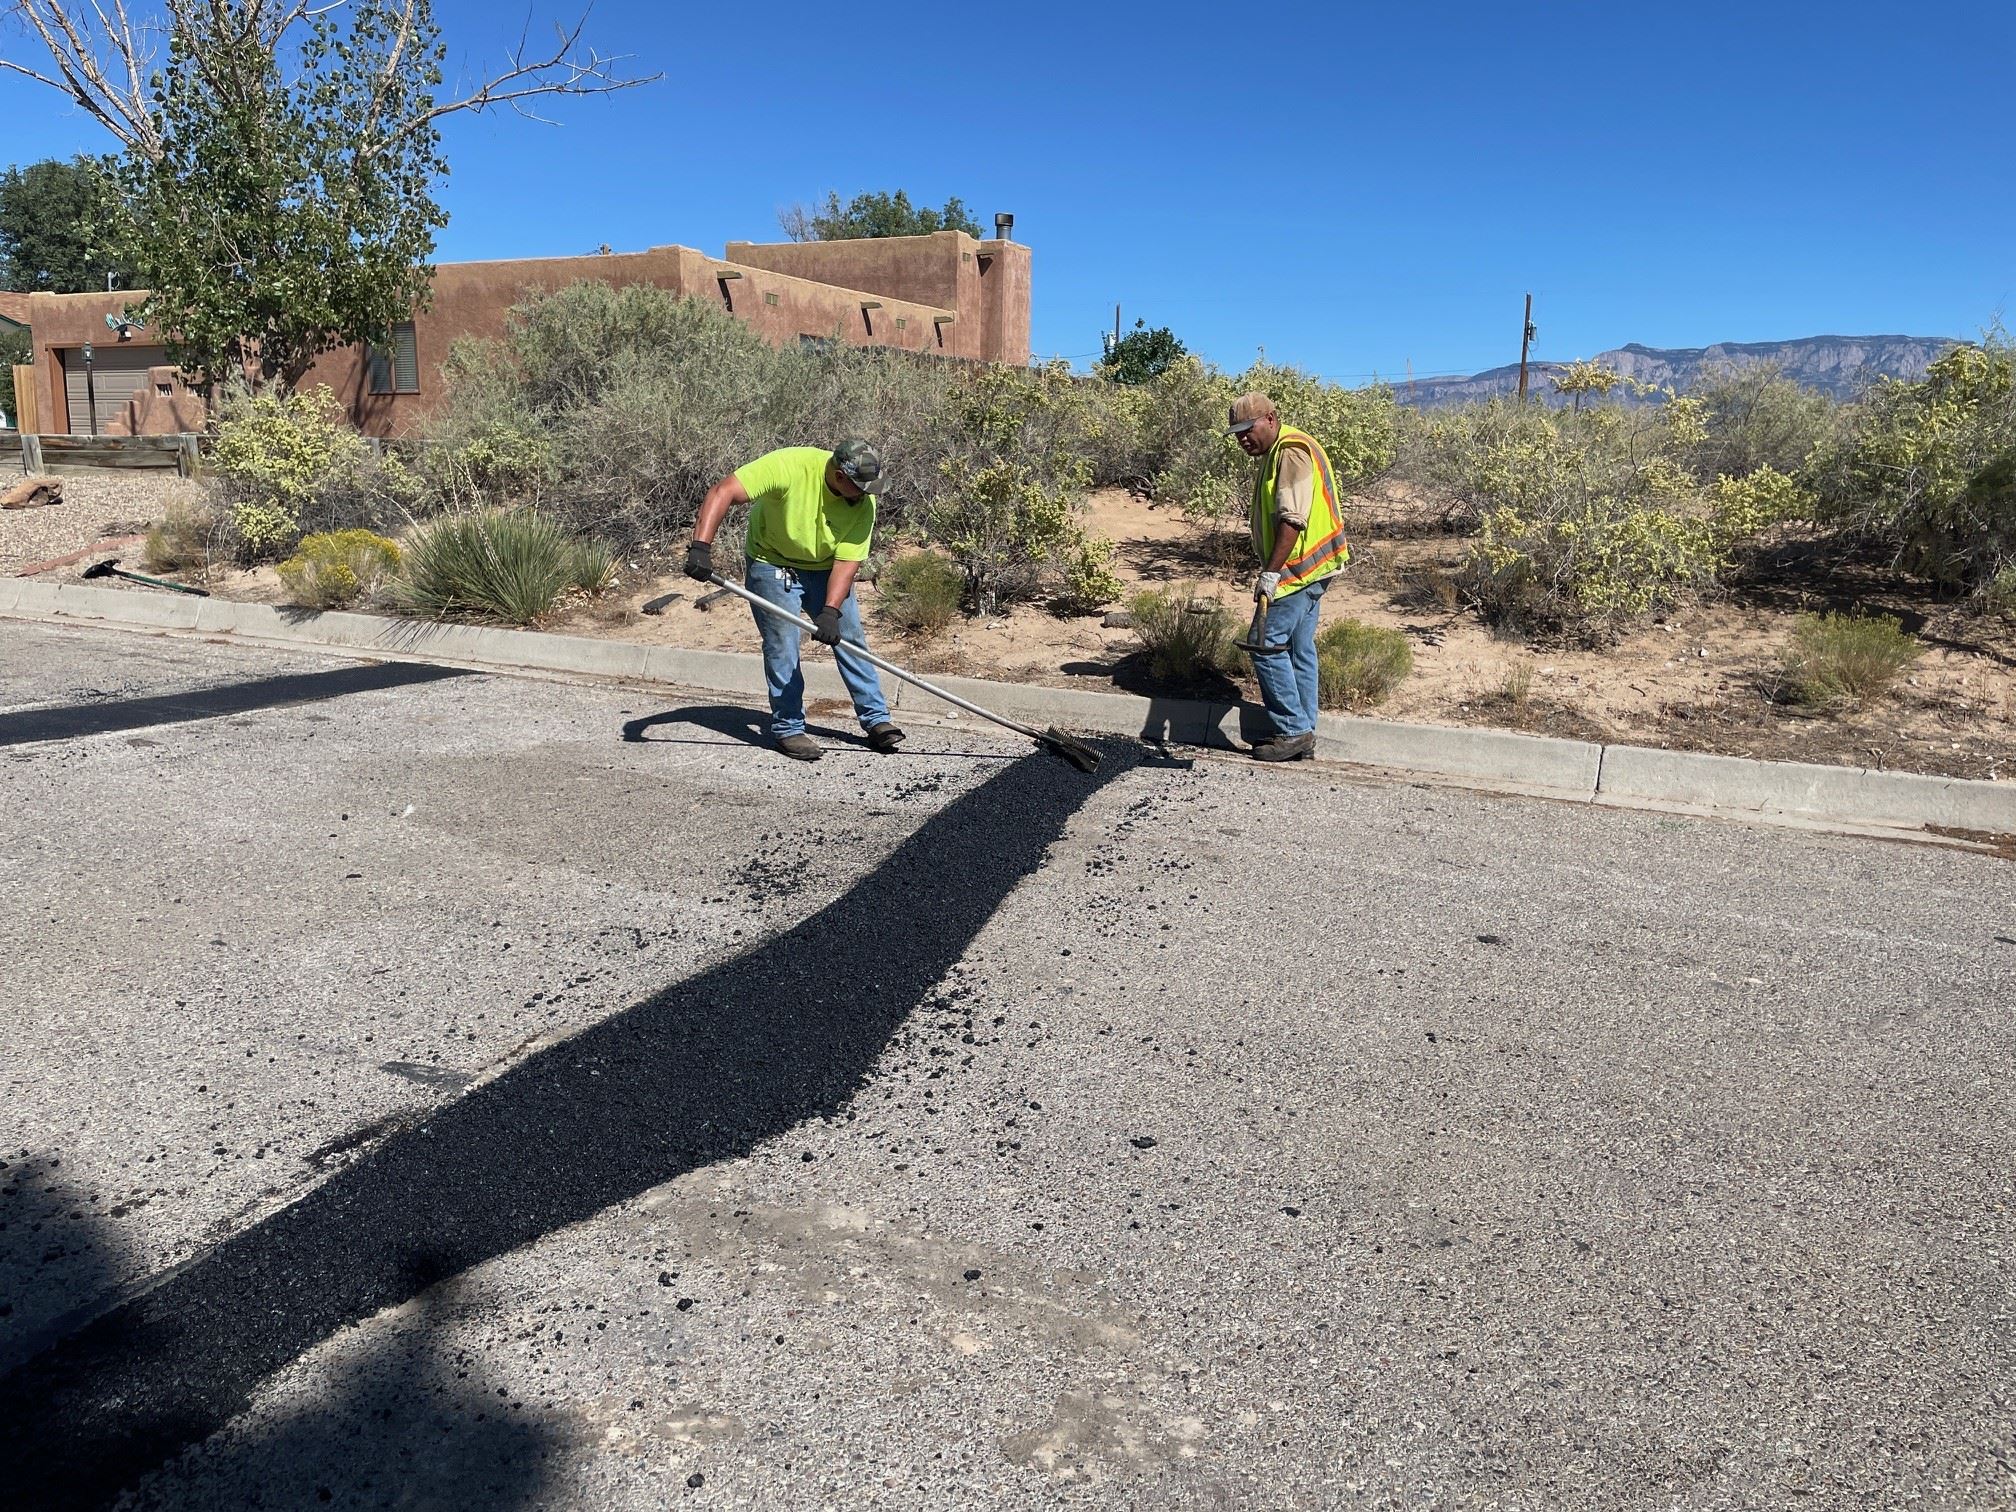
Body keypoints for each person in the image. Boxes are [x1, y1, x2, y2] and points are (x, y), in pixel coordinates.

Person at [686, 440, 905, 762]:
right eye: (859, 487)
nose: (865, 495)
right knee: (782, 644)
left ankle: (876, 719)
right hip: (772, 561)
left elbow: (847, 563)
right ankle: (789, 728)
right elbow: (724, 491)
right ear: (839, 475)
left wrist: (830, 611)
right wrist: (701, 547)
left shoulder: (863, 503)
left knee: (851, 638)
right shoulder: (791, 465)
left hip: (826, 568)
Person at [1226, 392, 1350, 762]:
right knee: (1299, 648)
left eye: (1248, 429)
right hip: (1313, 568)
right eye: (1237, 433)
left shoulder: (1291, 451)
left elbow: (1292, 519)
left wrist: (1270, 573)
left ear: (1270, 419)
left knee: (1264, 641)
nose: (1243, 438)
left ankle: (1294, 730)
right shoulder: (1278, 451)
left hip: (1299, 571)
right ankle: (1303, 730)